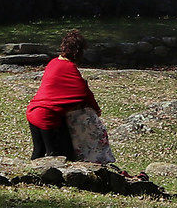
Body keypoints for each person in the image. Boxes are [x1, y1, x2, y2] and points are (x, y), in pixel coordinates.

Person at [26, 30, 115, 163]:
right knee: (56, 154)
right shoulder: (69, 67)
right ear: (77, 52)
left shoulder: (53, 62)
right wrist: (96, 109)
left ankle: (30, 177)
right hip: (47, 116)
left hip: (32, 112)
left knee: (38, 152)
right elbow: (83, 92)